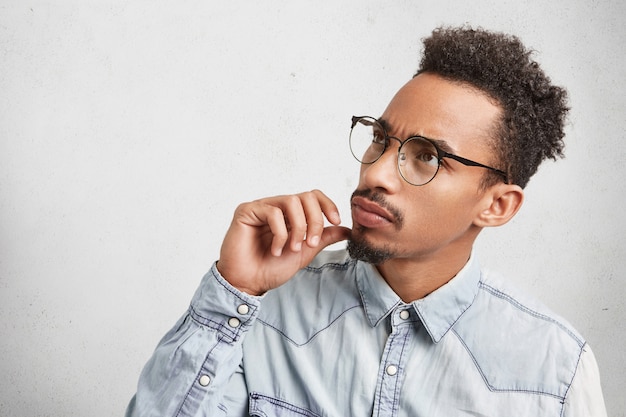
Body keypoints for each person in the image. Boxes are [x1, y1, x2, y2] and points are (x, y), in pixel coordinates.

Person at [126, 26, 607, 416]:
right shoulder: (264, 308)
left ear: (496, 205)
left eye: (428, 158)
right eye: (380, 139)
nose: (375, 172)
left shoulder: (555, 371)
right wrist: (233, 291)